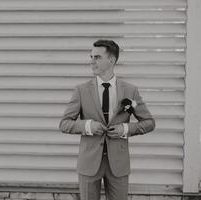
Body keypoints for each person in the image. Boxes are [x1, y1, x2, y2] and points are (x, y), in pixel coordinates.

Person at [59, 39, 155, 200]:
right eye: (91, 57)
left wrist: (125, 129)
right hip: (89, 163)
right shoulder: (81, 90)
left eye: (97, 57)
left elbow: (149, 122)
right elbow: (64, 124)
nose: (92, 61)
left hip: (118, 164)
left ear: (111, 60)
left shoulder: (130, 90)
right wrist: (88, 126)